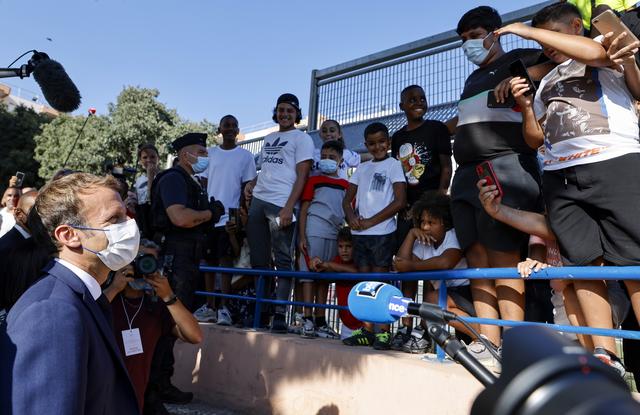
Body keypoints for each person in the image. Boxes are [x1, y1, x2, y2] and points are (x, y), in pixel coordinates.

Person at [497, 1, 640, 375]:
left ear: (577, 26)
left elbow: (595, 51)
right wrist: (527, 104)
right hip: (561, 178)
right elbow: (535, 139)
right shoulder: (547, 80)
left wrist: (526, 31)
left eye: (553, 37)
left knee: (633, 260)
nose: (548, 47)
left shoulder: (602, 51)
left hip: (614, 163)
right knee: (583, 264)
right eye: (543, 44)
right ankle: (604, 354)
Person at [449, 6, 548, 356]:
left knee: (503, 260)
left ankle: (515, 344)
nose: (469, 46)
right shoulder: (471, 79)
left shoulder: (520, 57)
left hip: (505, 167)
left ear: (494, 33)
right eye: (463, 41)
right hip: (465, 176)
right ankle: (488, 340)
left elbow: (556, 61)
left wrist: (523, 78)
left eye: (474, 37)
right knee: (476, 260)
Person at [0, 173, 140, 414]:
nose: (129, 226)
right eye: (114, 219)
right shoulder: (52, 312)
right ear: (68, 235)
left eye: (125, 216)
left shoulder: (81, 295)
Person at [149, 132, 223, 405]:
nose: (204, 157)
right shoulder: (174, 179)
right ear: (184, 155)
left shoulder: (190, 181)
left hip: (184, 259)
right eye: (200, 153)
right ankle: (154, 388)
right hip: (174, 259)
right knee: (167, 324)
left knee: (170, 326)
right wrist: (209, 214)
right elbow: (179, 217)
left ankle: (159, 384)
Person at [104, 241, 202, 415]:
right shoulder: (107, 299)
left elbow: (195, 336)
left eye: (149, 261)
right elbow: (86, 317)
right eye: (137, 260)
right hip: (103, 398)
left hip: (139, 399)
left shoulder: (156, 307)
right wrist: (113, 288)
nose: (143, 267)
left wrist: (168, 296)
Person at [244, 93, 315, 333]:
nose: (285, 114)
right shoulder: (269, 137)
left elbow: (302, 175)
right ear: (276, 112)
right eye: (281, 110)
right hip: (259, 201)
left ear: (297, 114)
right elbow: (268, 169)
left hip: (282, 204)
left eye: (290, 111)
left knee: (284, 260)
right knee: (259, 260)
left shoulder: (302, 138)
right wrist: (252, 183)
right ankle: (261, 312)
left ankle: (280, 313)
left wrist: (288, 207)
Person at [391, 84, 453, 341]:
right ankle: (406, 326)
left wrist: (438, 200)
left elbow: (446, 166)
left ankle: (429, 330)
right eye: (412, 99)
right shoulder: (397, 138)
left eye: (422, 98)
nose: (418, 102)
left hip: (432, 209)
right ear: (402, 106)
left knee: (429, 269)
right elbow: (398, 176)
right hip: (406, 211)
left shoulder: (436, 129)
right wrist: (404, 206)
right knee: (406, 270)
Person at [341, 122, 406, 350]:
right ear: (366, 145)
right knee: (364, 284)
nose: (377, 146)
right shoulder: (362, 168)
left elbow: (400, 201)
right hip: (360, 235)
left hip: (383, 233)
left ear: (388, 143)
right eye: (372, 143)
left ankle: (384, 333)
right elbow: (346, 201)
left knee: (380, 283)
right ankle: (367, 330)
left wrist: (371, 221)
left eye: (381, 142)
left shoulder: (394, 165)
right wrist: (351, 217)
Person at [392, 191, 478, 353]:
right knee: (433, 302)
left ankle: (485, 336)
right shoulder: (423, 241)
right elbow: (400, 265)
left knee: (431, 299)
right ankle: (480, 337)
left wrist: (410, 266)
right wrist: (411, 235)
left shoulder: (453, 235)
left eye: (431, 222)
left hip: (468, 294)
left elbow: (445, 262)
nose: (425, 227)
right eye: (422, 222)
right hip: (448, 299)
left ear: (444, 222)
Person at [195, 114, 256, 326]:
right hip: (210, 217)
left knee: (226, 265)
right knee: (209, 263)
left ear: (238, 130)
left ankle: (224, 308)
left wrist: (241, 215)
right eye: (226, 125)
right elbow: (202, 183)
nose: (230, 129)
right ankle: (210, 306)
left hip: (230, 218)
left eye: (233, 125)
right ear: (219, 130)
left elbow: (246, 188)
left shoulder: (246, 157)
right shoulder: (209, 154)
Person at [298, 140, 349, 338]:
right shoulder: (313, 180)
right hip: (314, 230)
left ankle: (321, 320)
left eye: (332, 158)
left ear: (341, 160)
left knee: (325, 275)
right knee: (309, 275)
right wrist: (302, 236)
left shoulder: (346, 185)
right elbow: (304, 210)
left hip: (335, 233)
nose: (327, 160)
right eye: (324, 157)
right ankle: (307, 318)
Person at [311, 227, 361, 340]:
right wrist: (316, 263)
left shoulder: (360, 260)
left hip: (364, 325)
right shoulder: (337, 260)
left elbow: (356, 272)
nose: (344, 250)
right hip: (346, 326)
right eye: (341, 246)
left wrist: (328, 264)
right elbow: (323, 270)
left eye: (348, 246)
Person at [133, 143, 161, 239]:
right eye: (145, 157)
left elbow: (152, 200)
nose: (149, 160)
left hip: (159, 223)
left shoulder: (165, 177)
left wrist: (151, 178)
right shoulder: (139, 180)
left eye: (152, 157)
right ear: (140, 161)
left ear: (158, 158)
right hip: (144, 224)